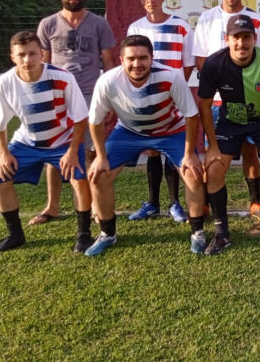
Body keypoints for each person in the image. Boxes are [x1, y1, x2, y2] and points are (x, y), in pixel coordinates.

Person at [85, 35, 205, 257]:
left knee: (193, 173)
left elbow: (191, 115)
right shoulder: (108, 81)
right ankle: (107, 234)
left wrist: (189, 153)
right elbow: (95, 121)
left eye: (143, 58)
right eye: (131, 58)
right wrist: (101, 156)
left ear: (152, 58)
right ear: (121, 59)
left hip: (170, 130)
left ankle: (197, 232)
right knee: (98, 175)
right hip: (129, 132)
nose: (137, 64)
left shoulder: (170, 77)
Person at [198, 14, 260, 257]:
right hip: (230, 121)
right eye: (236, 38)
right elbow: (205, 105)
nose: (241, 43)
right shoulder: (213, 64)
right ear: (227, 39)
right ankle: (222, 233)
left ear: (254, 38)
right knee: (214, 169)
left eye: (246, 37)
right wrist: (211, 145)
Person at [0, 31, 93, 253]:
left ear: (42, 54)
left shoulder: (63, 77)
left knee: (79, 179)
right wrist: (3, 154)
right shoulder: (4, 83)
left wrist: (73, 151)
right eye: (22, 55)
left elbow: (81, 117)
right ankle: (15, 236)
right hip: (27, 143)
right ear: (12, 57)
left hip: (63, 141)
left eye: (33, 54)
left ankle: (84, 235)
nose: (28, 60)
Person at [31, 0, 115, 225]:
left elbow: (109, 62)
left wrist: (111, 98)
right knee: (55, 154)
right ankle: (52, 207)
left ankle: (92, 206)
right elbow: (43, 64)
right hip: (58, 97)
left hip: (90, 95)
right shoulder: (48, 24)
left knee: (91, 151)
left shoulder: (99, 24)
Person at [193, 0, 260, 222]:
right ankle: (206, 202)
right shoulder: (206, 19)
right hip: (217, 99)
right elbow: (201, 59)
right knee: (213, 151)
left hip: (249, 98)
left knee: (250, 150)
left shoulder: (256, 20)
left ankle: (256, 201)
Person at [125, 0, 195, 223]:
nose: (151, 0)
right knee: (152, 151)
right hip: (146, 99)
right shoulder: (135, 28)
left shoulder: (182, 26)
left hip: (172, 98)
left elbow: (187, 65)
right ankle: (152, 202)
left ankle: (175, 203)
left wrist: (173, 89)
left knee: (169, 150)